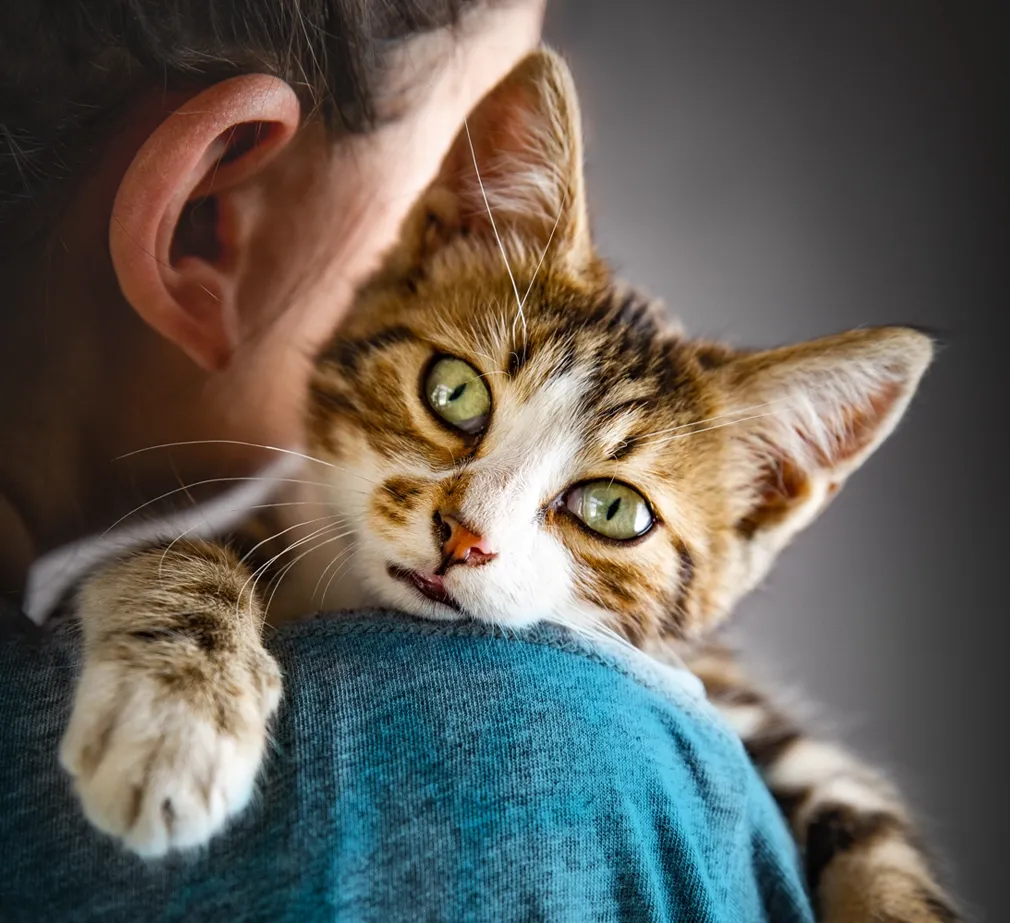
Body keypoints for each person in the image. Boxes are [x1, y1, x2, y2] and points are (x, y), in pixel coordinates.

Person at [0, 3, 816, 920]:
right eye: (456, 396)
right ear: (204, 224)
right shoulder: (576, 758)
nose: (473, 532)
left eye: (609, 511)